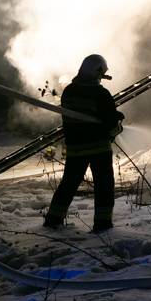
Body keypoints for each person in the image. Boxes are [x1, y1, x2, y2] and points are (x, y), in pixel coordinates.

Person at [44, 54, 124, 232]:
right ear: (98, 72)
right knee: (104, 185)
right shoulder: (100, 93)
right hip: (98, 148)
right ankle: (103, 224)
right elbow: (109, 122)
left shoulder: (69, 90)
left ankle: (53, 219)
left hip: (75, 147)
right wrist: (117, 122)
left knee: (69, 183)